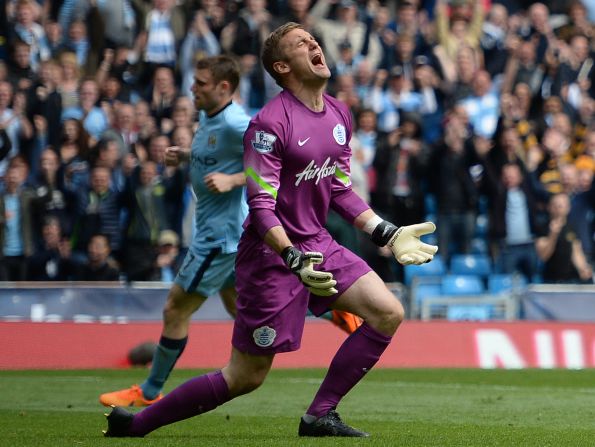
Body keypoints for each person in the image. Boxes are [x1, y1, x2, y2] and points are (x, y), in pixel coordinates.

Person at [103, 23, 437, 439]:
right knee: (246, 376)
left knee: (388, 312)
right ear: (282, 66)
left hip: (318, 243)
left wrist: (384, 232)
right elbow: (260, 207)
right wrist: (292, 258)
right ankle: (137, 426)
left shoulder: (338, 113)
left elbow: (337, 187)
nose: (314, 43)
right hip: (271, 256)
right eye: (302, 43)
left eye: (313, 39)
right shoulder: (268, 124)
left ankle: (319, 415)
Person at [99, 55, 250, 408]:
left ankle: (150, 391)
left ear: (224, 87)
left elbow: (278, 161)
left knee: (175, 309)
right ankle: (324, 308)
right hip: (224, 235)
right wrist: (186, 156)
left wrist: (234, 179)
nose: (192, 88)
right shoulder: (209, 116)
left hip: (218, 239)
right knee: (242, 309)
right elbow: (216, 156)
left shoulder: (237, 122)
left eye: (201, 83)